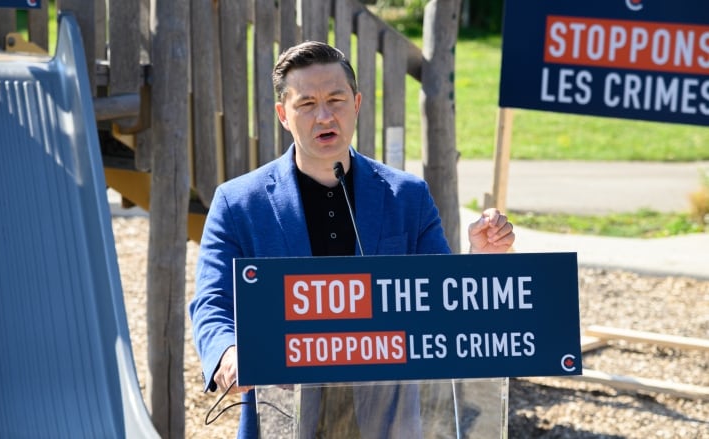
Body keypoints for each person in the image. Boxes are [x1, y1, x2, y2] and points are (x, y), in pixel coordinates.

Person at [189, 41, 515, 439]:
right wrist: (228, 352)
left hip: (388, 420)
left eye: (336, 99)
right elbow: (213, 302)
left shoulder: (408, 196)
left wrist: (480, 259)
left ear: (357, 104)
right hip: (284, 416)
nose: (324, 115)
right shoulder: (238, 202)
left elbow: (441, 304)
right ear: (283, 115)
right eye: (306, 104)